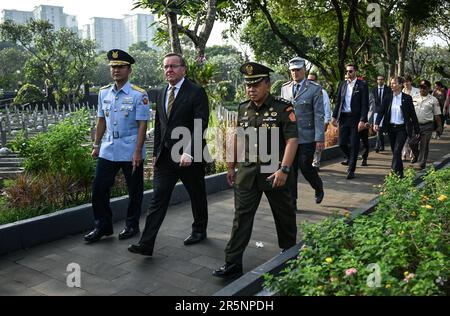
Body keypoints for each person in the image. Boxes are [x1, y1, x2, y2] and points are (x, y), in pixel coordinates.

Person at [212, 62, 298, 279]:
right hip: (248, 172)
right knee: (241, 218)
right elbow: (239, 137)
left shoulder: (282, 107)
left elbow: (292, 140)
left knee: (284, 215)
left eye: (256, 84)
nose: (251, 89)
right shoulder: (243, 108)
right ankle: (232, 263)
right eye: (248, 85)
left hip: (275, 172)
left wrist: (284, 169)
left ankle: (290, 255)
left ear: (267, 85)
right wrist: (231, 164)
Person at [128, 53, 210, 256]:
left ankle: (199, 230)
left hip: (190, 156)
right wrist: (156, 152)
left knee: (197, 195)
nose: (169, 70)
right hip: (166, 157)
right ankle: (146, 244)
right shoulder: (163, 91)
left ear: (184, 69)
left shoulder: (196, 92)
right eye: (165, 67)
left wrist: (190, 151)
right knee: (157, 198)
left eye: (173, 66)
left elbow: (200, 124)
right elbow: (159, 125)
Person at [84, 49, 150, 243]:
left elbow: (142, 125)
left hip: (131, 148)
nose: (116, 70)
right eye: (113, 67)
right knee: (99, 187)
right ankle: (102, 225)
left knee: (134, 190)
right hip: (108, 147)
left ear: (129, 70)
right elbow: (101, 121)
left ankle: (131, 225)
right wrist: (96, 145)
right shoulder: (104, 92)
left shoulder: (139, 94)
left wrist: (138, 151)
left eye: (120, 66)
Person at [280, 59, 324, 207]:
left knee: (305, 165)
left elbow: (318, 114)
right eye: (292, 70)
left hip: (307, 135)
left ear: (304, 70)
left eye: (298, 69)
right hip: (289, 137)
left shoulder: (314, 88)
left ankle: (318, 186)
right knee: (290, 170)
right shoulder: (284, 88)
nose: (295, 73)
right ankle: (293, 202)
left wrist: (319, 138)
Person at [374, 76, 420, 178]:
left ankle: (393, 172)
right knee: (395, 152)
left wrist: (417, 129)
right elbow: (381, 111)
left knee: (397, 150)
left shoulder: (407, 98)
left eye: (394, 83)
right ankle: (401, 174)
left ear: (400, 85)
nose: (391, 85)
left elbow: (413, 115)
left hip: (402, 129)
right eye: (391, 83)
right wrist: (377, 123)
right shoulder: (387, 97)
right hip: (391, 128)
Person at [331, 63, 369, 179]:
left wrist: (362, 120)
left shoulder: (362, 85)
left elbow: (365, 104)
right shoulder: (342, 84)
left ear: (355, 72)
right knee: (342, 143)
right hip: (344, 117)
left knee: (354, 144)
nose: (348, 73)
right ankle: (350, 158)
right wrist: (334, 116)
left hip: (356, 119)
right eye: (347, 71)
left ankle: (351, 169)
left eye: (351, 71)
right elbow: (338, 101)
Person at [410, 80, 442, 170]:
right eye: (421, 87)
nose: (422, 89)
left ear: (428, 89)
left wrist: (439, 127)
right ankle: (416, 155)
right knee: (412, 143)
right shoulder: (413, 97)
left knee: (424, 144)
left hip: (427, 125)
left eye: (424, 88)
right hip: (415, 125)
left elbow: (437, 115)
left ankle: (422, 163)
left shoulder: (433, 100)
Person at [307, 72, 331, 172]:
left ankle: (316, 163)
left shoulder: (322, 91)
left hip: (319, 121)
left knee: (318, 143)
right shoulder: (304, 91)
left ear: (316, 81)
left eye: (312, 80)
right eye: (309, 80)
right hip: (307, 123)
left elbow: (326, 107)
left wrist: (326, 121)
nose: (310, 82)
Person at [401, 75, 420, 161]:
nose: (406, 83)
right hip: (404, 118)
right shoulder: (401, 91)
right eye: (404, 82)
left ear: (410, 82)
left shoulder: (417, 91)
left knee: (413, 137)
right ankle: (404, 153)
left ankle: (412, 154)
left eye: (407, 81)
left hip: (415, 117)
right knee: (404, 137)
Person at [371, 75, 392, 152]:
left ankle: (379, 145)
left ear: (384, 80)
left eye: (382, 79)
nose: (380, 81)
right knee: (378, 129)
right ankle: (380, 145)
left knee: (380, 129)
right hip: (377, 111)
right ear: (377, 81)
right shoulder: (374, 90)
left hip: (385, 111)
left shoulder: (388, 89)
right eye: (379, 79)